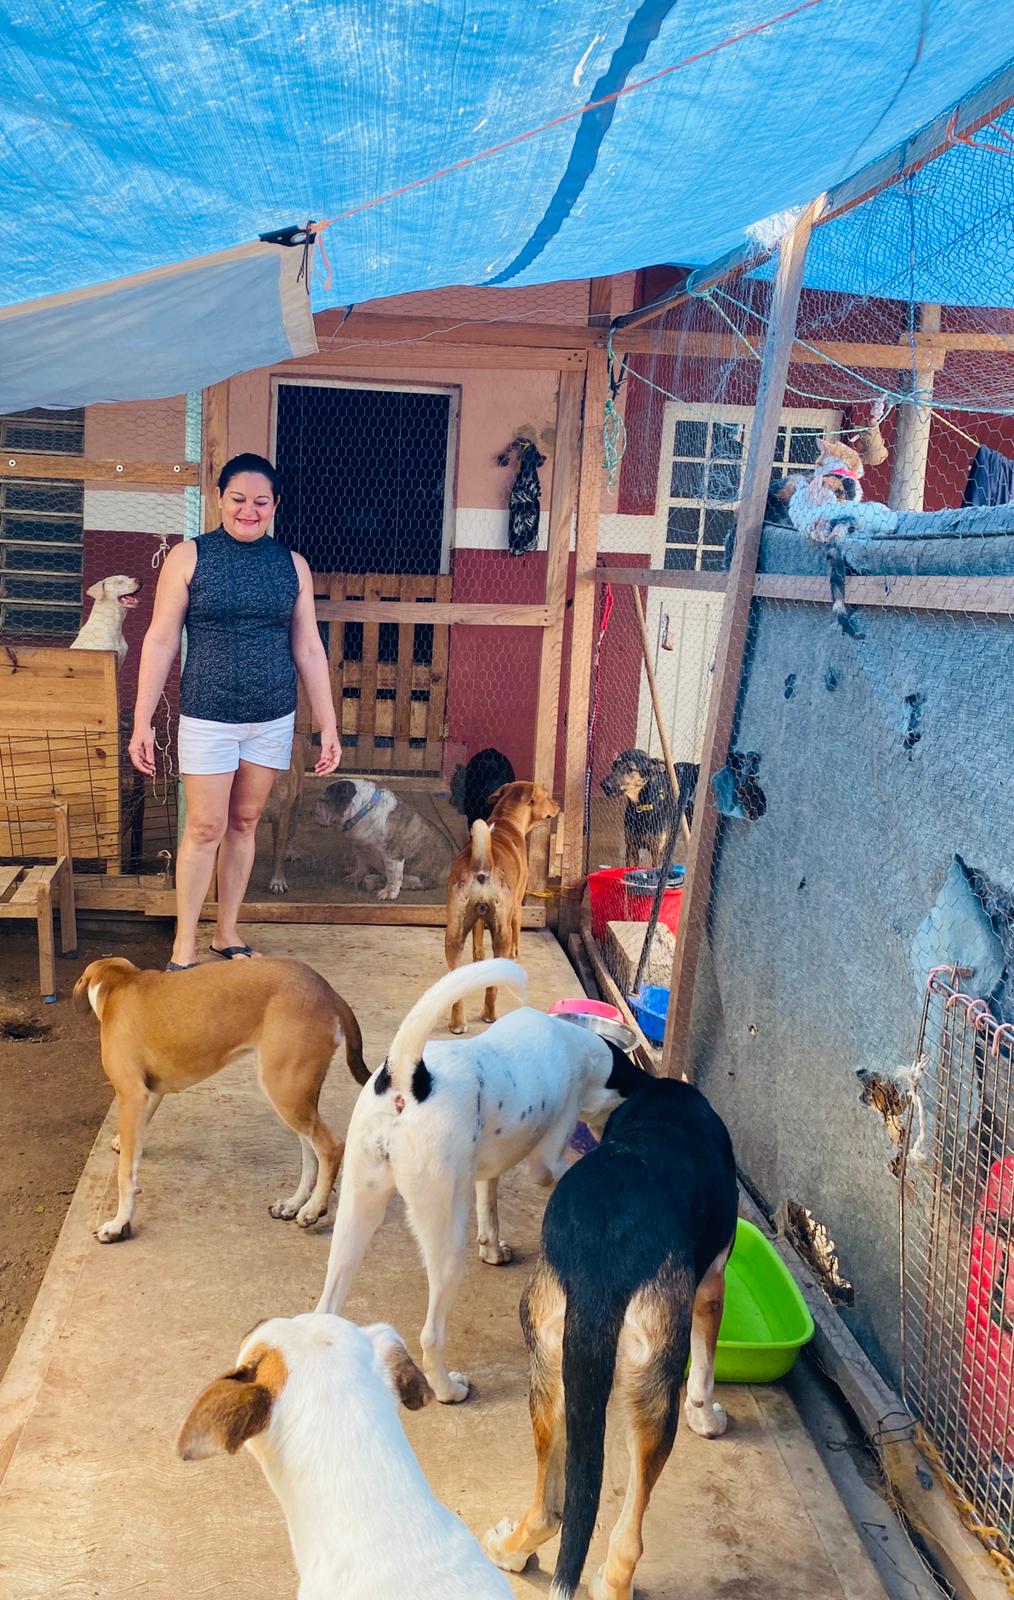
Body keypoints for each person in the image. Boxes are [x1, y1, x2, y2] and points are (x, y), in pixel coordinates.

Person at [128, 453, 341, 970]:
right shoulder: (189, 556)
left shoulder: (292, 565)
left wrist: (328, 723)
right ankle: (184, 944)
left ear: (275, 506)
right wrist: (142, 719)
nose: (250, 510)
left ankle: (226, 932)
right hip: (207, 715)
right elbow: (160, 640)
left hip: (271, 717)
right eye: (239, 499)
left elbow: (309, 648)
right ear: (219, 499)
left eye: (261, 502)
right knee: (204, 828)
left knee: (244, 823)